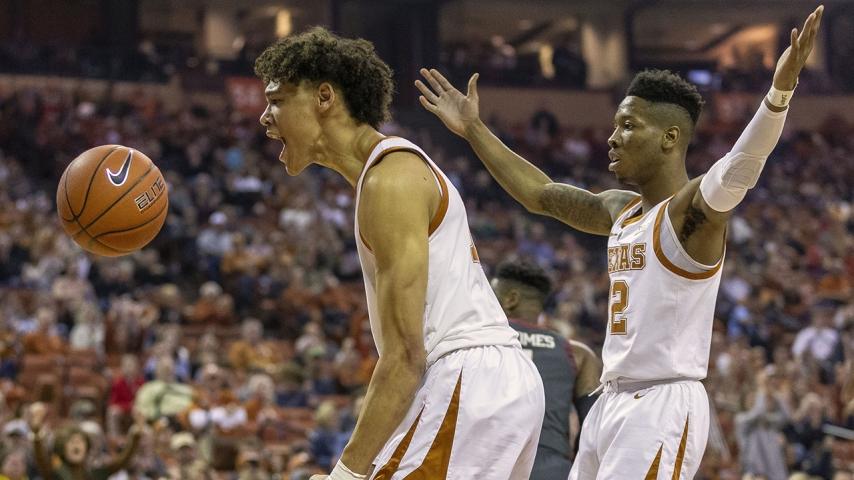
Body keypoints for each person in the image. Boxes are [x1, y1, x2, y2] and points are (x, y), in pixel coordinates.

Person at [415, 6, 823, 478]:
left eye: (628, 126)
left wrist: (779, 93)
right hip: (609, 400)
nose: (612, 138)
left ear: (670, 137)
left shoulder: (692, 215)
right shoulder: (619, 210)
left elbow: (741, 166)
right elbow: (539, 194)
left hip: (660, 403)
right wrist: (473, 130)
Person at [255, 27, 544, 479]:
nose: (264, 117)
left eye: (276, 100)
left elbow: (406, 357)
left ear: (324, 97)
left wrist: (345, 474)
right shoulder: (385, 174)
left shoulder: (391, 179)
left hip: (465, 378)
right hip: (481, 383)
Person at [490, 260, 602, 479]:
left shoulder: (476, 341)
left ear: (511, 299)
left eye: (491, 296)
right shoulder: (577, 354)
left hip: (486, 464)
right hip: (551, 468)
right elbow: (592, 429)